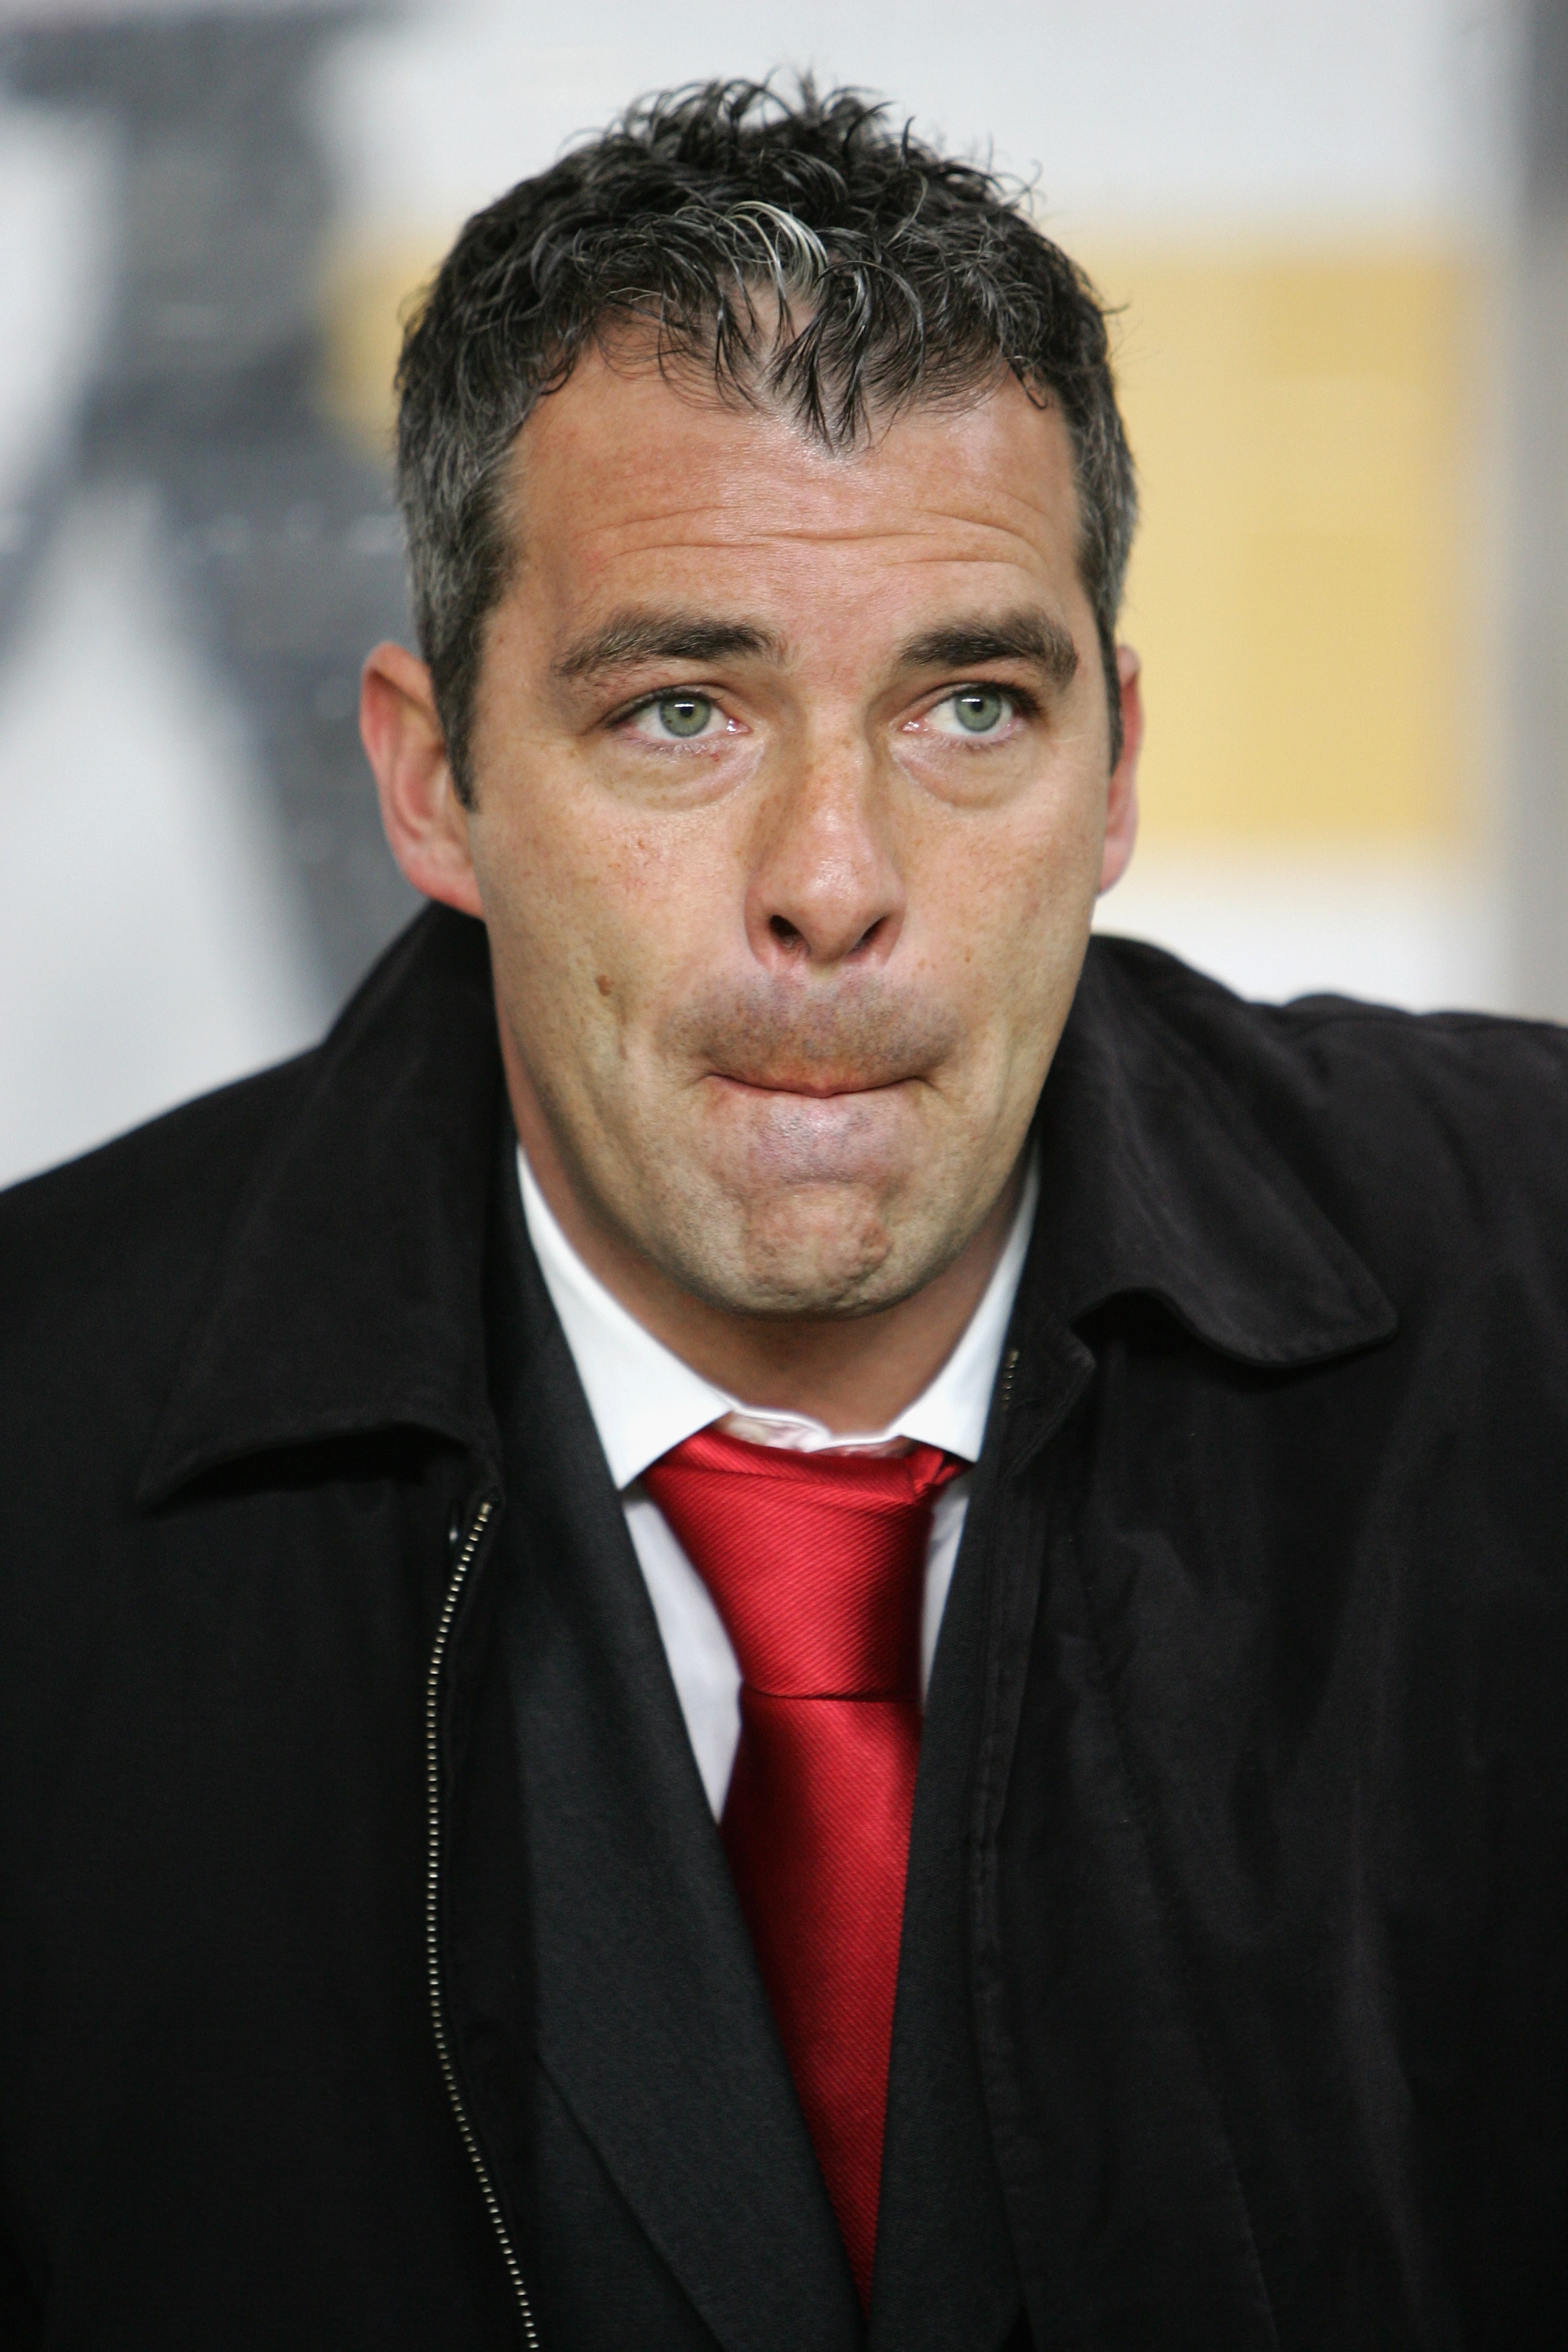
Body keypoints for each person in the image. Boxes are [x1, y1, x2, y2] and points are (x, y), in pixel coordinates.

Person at [0, 78, 1563, 2352]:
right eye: (678, 714)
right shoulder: (34, 1473)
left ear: (1116, 767)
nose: (835, 883)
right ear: (433, 779)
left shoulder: (1534, 1302)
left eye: (967, 707)